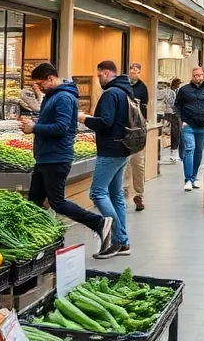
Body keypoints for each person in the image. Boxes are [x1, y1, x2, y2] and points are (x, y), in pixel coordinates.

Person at [20, 63, 113, 255]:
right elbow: (52, 123)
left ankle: (99, 222)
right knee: (34, 202)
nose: (39, 88)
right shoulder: (52, 97)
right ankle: (37, 245)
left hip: (56, 158)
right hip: (45, 157)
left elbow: (62, 127)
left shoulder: (63, 97)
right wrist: (34, 123)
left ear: (50, 78)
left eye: (40, 83)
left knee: (57, 202)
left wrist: (34, 128)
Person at [80, 60, 134, 259]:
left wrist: (84, 119)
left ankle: (119, 239)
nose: (98, 79)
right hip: (123, 148)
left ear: (106, 73)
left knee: (97, 192)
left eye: (99, 75)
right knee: (116, 194)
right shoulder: (126, 91)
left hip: (110, 149)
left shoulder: (111, 93)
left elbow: (105, 122)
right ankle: (124, 242)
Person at [174, 66, 204, 191]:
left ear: (203, 76)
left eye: (199, 75)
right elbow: (177, 105)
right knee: (189, 149)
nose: (197, 77)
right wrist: (180, 119)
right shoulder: (184, 90)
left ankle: (194, 177)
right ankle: (188, 179)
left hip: (203, 126)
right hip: (188, 125)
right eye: (195, 75)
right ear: (191, 76)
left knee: (198, 152)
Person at [126, 62, 150, 212]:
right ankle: (121, 193)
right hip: (122, 130)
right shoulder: (121, 87)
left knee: (137, 163)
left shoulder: (143, 88)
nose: (134, 72)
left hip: (137, 130)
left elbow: (145, 108)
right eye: (132, 70)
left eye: (137, 70)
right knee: (122, 163)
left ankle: (138, 195)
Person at [157, 78, 178, 163]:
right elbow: (173, 103)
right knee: (174, 132)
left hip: (157, 113)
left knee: (157, 135)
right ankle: (173, 153)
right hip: (169, 114)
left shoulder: (153, 91)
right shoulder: (170, 92)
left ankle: (157, 154)